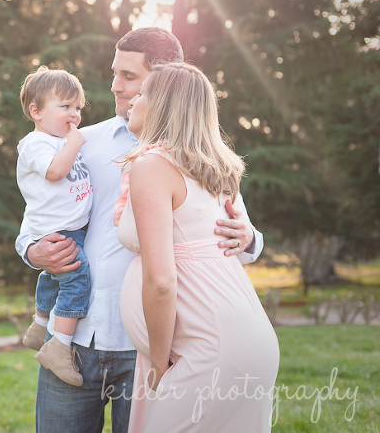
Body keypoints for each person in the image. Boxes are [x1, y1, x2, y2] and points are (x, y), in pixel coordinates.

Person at [15, 27, 264, 433]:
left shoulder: (197, 155)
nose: (114, 86)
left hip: (152, 347)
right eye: (114, 73)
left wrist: (248, 237)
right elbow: (39, 211)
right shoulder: (80, 143)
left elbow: (240, 237)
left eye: (129, 77)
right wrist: (30, 250)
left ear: (164, 78)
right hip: (75, 338)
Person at [117, 62, 279, 431]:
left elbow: (161, 281)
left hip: (211, 349)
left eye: (141, 93)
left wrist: (158, 362)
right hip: (244, 336)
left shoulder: (153, 165)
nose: (132, 100)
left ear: (161, 104)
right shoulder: (216, 168)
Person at [16, 66, 93, 387]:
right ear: (36, 112)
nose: (74, 115)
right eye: (65, 107)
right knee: (77, 281)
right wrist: (74, 142)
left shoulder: (59, 140)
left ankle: (39, 326)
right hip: (57, 231)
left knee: (52, 279)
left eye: (77, 108)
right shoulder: (37, 143)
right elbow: (55, 172)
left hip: (65, 227)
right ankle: (59, 346)